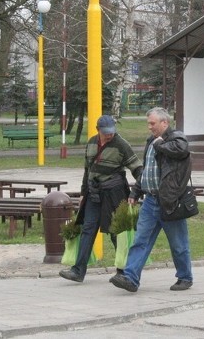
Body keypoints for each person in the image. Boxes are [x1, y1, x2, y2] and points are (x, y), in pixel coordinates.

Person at [109, 107, 193, 293]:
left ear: (165, 123)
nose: (149, 127)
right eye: (148, 124)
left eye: (152, 124)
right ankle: (130, 277)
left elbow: (181, 149)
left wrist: (159, 144)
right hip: (150, 201)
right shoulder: (151, 141)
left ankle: (185, 277)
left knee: (178, 244)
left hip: (170, 202)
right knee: (140, 240)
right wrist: (135, 192)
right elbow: (147, 171)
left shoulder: (177, 138)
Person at [59, 115, 143, 283]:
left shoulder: (121, 145)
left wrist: (136, 192)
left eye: (111, 132)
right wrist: (83, 192)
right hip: (93, 193)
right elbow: (87, 169)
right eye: (106, 133)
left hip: (114, 193)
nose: (109, 135)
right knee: (88, 229)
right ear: (98, 130)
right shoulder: (91, 142)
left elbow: (138, 169)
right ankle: (78, 271)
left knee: (115, 231)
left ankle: (124, 271)